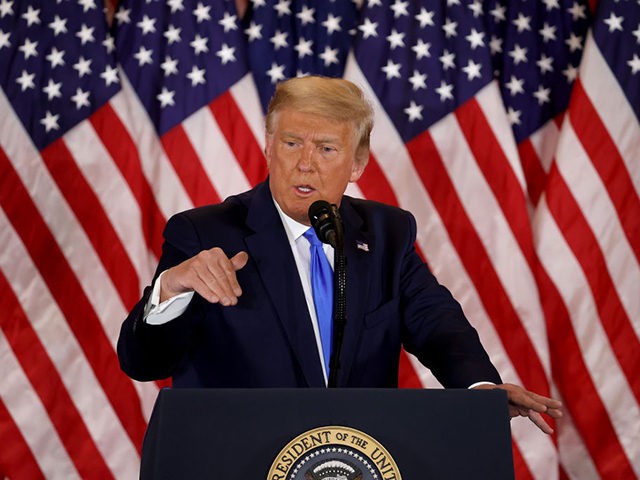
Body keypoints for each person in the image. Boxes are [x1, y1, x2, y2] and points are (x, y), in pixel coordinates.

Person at [117, 75, 562, 434]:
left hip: (355, 461)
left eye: (326, 149)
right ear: (268, 147)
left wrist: (480, 390)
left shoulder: (386, 233)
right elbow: (144, 362)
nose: (305, 163)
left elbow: (436, 324)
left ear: (357, 164)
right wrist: (170, 288)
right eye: (292, 143)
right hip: (242, 459)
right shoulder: (205, 233)